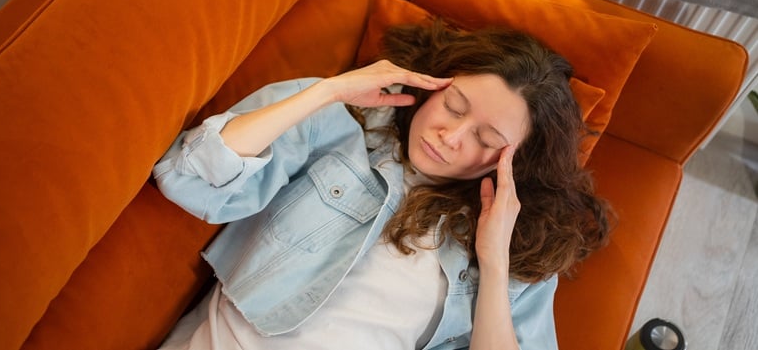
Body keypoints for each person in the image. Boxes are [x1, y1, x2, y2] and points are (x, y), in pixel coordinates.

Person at [153, 20, 612, 350]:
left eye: (486, 139)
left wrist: (494, 265)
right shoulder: (344, 126)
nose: (449, 138)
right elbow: (188, 176)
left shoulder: (520, 246)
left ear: (515, 162)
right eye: (453, 106)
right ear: (436, 84)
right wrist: (325, 92)